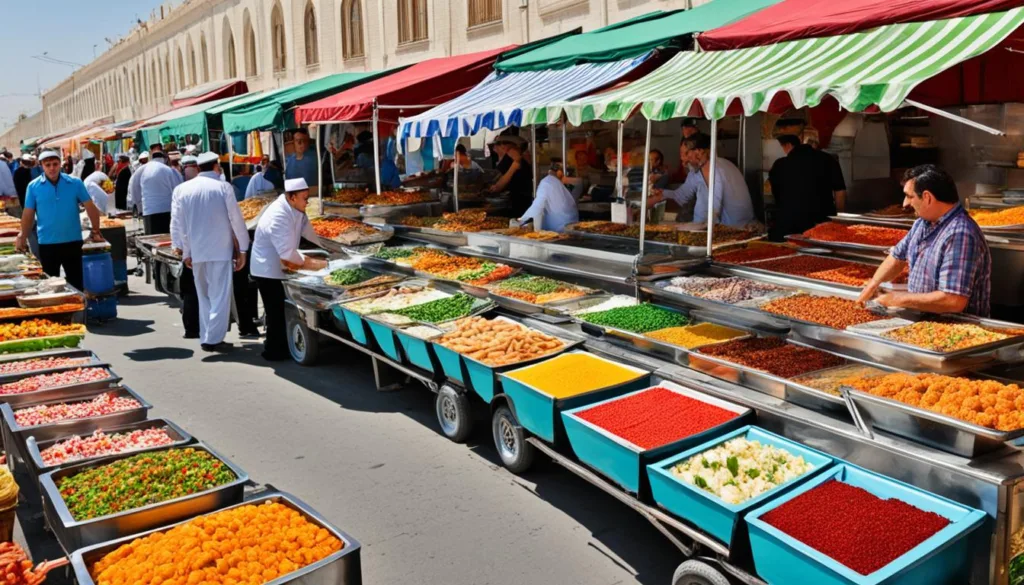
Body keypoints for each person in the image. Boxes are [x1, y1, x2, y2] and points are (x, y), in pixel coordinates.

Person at [858, 164, 991, 316]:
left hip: (955, 330)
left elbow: (953, 300)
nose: (905, 204)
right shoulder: (922, 223)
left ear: (927, 197)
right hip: (925, 322)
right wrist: (873, 285)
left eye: (909, 196)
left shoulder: (960, 233)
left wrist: (896, 299)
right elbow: (897, 257)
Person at [176, 152, 249, 351]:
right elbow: (236, 219)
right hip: (220, 250)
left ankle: (209, 335)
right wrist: (243, 248)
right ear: (216, 167)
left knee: (204, 295)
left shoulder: (183, 190)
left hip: (197, 251)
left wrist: (185, 252)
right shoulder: (223, 187)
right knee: (220, 295)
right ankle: (212, 339)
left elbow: (180, 225)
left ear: (198, 168)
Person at [251, 178, 327, 360]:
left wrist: (327, 246)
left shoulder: (295, 208)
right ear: (292, 197)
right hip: (267, 269)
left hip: (279, 265)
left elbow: (307, 230)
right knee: (275, 311)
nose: (307, 202)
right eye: (304, 198)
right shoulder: (277, 215)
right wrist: (318, 264)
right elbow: (287, 254)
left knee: (280, 309)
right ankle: (273, 351)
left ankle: (281, 344)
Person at [16, 151, 103, 291]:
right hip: (47, 243)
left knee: (76, 283)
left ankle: (79, 313)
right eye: (48, 165)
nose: (52, 168)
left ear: (60, 165)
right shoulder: (33, 187)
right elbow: (28, 214)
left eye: (55, 164)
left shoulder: (75, 183)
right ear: (41, 166)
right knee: (51, 287)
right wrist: (22, 235)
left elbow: (90, 207)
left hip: (72, 241)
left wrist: (96, 230)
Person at [648, 133, 756, 228]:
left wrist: (688, 227)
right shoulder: (696, 172)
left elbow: (714, 210)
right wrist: (660, 195)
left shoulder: (717, 169)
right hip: (714, 229)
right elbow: (681, 195)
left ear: (699, 152)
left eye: (686, 154)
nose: (683, 159)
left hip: (737, 230)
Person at [768, 134, 847, 241]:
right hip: (820, 224)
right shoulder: (829, 160)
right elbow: (840, 192)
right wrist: (840, 219)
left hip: (786, 226)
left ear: (788, 146)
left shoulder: (779, 164)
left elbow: (776, 195)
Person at [170, 158, 201, 340]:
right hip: (204, 248)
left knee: (191, 290)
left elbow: (176, 222)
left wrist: (179, 247)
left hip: (191, 248)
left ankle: (192, 328)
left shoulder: (181, 190)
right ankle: (199, 328)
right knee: (199, 290)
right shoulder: (213, 187)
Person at [517, 161, 579, 233]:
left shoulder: (546, 183)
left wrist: (522, 220)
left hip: (556, 229)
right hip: (570, 226)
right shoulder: (553, 183)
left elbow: (537, 205)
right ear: (559, 172)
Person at [136, 151, 183, 234]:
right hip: (167, 211)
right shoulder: (168, 170)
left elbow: (135, 186)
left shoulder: (143, 170)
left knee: (151, 241)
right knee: (167, 241)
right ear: (164, 159)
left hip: (149, 211)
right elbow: (177, 190)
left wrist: (138, 206)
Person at [489, 137, 533, 216]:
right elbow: (498, 177)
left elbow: (499, 185)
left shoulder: (520, 160)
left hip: (521, 201)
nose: (502, 146)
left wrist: (515, 164)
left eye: (504, 143)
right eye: (499, 144)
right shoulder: (508, 159)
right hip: (512, 200)